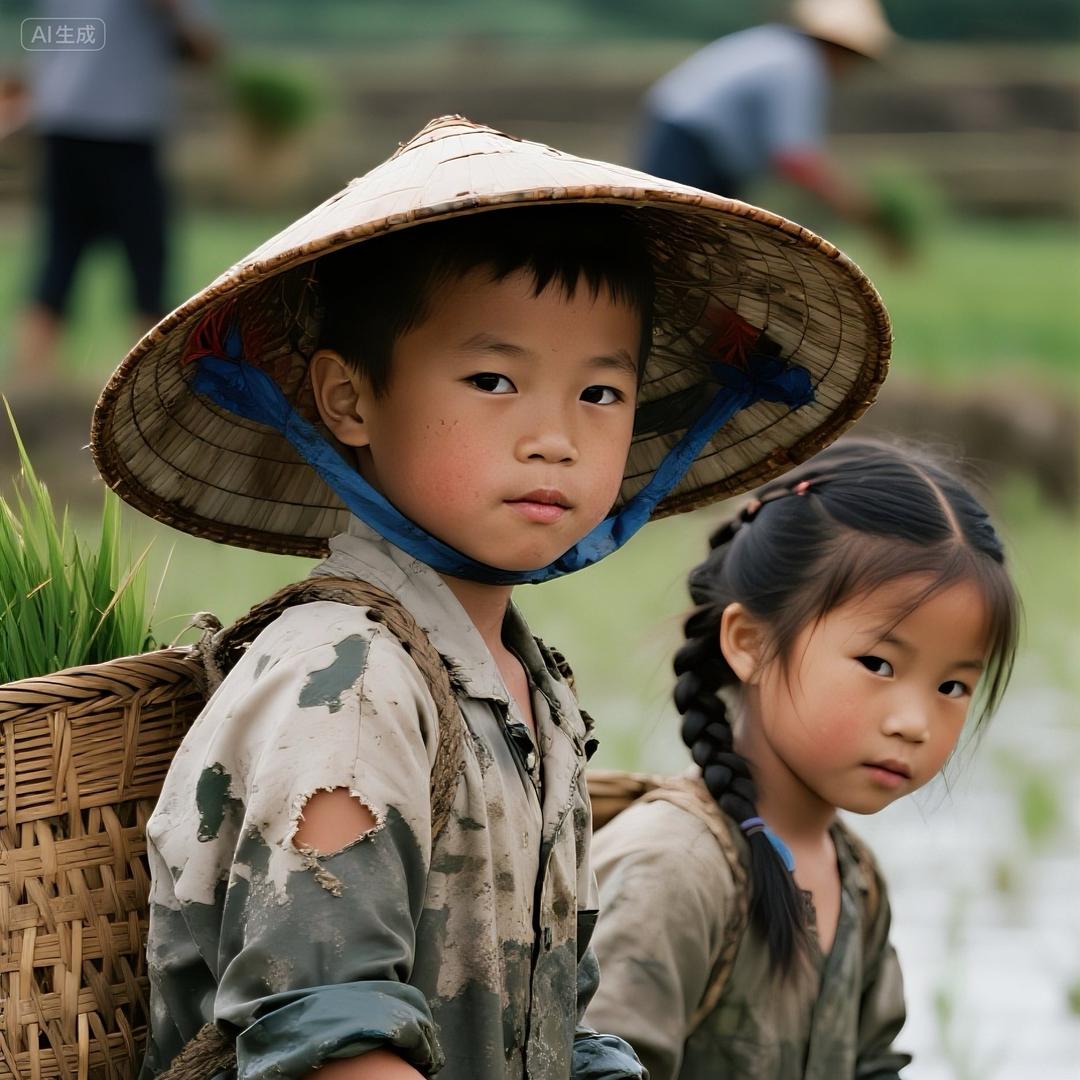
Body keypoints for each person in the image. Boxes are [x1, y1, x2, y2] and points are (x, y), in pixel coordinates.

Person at [90, 115, 892, 1078]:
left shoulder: (527, 684)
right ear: (348, 399)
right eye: (492, 379)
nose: (553, 437)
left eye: (600, 393)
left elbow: (544, 1015)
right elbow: (332, 1044)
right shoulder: (345, 682)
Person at [584, 438, 1021, 1079]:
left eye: (952, 686)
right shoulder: (674, 868)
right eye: (878, 664)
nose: (914, 723)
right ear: (752, 643)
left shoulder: (857, 878)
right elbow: (593, 1063)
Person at [10, 0, 219, 387]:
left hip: (65, 121)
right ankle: (149, 387)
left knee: (62, 253)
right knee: (143, 259)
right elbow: (203, 49)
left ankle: (30, 389)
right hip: (123, 131)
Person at [640, 0, 902, 251]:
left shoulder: (778, 46)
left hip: (692, 137)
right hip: (692, 146)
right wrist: (857, 207)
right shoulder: (800, 66)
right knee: (678, 245)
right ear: (841, 49)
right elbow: (795, 158)